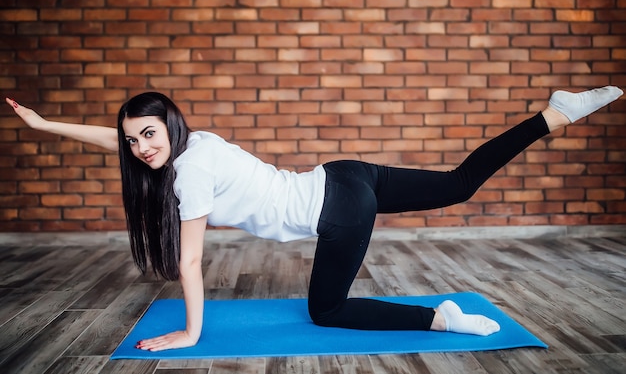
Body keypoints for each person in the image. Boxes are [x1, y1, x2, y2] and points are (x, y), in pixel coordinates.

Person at [4, 85, 623, 352]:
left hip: (339, 207)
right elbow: (113, 137)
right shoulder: (194, 143)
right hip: (343, 174)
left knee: (325, 311)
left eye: (148, 135)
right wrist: (45, 125)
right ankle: (553, 117)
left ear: (168, 126)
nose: (141, 149)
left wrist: (192, 335)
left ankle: (441, 320)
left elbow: (192, 260)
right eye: (134, 141)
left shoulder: (187, 172)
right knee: (460, 185)